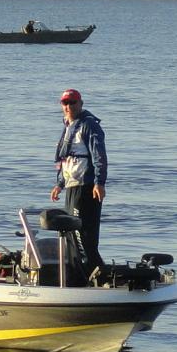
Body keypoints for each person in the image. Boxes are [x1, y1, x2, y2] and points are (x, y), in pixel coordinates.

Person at [50, 89, 107, 272]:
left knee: (82, 234)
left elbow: (99, 156)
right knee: (70, 233)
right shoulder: (68, 126)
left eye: (72, 103)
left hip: (86, 187)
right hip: (72, 186)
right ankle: (80, 272)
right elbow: (66, 160)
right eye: (65, 103)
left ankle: (94, 271)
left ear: (80, 104)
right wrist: (60, 185)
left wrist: (99, 182)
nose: (68, 107)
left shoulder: (88, 125)